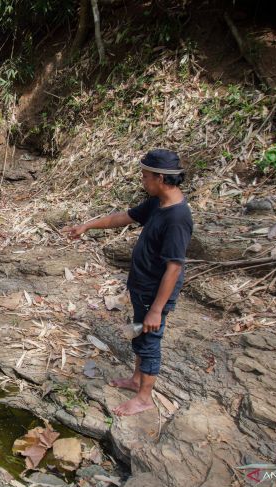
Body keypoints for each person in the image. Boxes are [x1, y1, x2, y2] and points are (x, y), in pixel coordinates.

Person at [62, 149, 193, 416]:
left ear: (160, 177)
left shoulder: (177, 218)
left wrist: (157, 308)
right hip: (142, 287)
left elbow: (174, 267)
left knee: (150, 341)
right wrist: (87, 226)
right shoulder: (158, 203)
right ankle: (136, 380)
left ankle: (145, 397)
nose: (142, 180)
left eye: (145, 176)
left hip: (155, 293)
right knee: (140, 333)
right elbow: (124, 217)